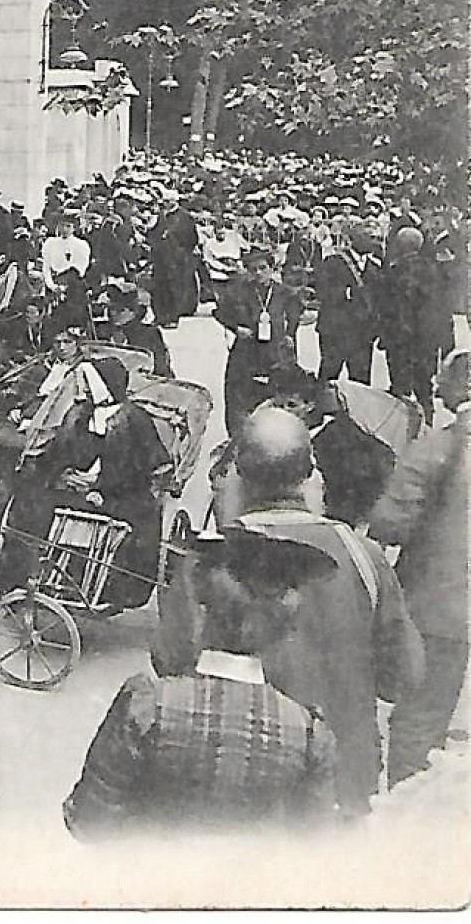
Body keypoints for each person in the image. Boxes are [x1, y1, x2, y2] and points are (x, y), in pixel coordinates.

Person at [156, 407, 423, 815]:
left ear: (236, 475)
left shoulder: (210, 561)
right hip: (340, 789)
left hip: (233, 791)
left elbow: (170, 661)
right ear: (311, 474)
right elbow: (403, 675)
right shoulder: (363, 556)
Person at [64, 541, 338, 840]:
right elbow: (313, 846)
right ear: (281, 631)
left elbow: (90, 821)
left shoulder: (147, 706)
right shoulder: (307, 733)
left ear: (204, 615)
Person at [369, 350, 470, 786]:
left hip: (438, 603)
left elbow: (389, 523)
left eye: (443, 377)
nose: (435, 386)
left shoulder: (439, 447)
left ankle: (404, 811)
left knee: (417, 720)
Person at [0, 357, 170, 612]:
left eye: (89, 385)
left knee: (118, 520)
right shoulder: (78, 415)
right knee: (29, 506)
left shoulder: (135, 420)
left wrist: (102, 490)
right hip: (75, 488)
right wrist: (62, 475)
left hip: (123, 495)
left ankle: (100, 589)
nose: (83, 391)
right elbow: (58, 455)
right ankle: (28, 580)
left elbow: (147, 468)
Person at [214, 244, 303, 440]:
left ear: (272, 269)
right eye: (253, 269)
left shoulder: (285, 292)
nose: (259, 273)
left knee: (279, 396)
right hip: (246, 352)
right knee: (240, 397)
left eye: (263, 268)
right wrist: (236, 328)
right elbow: (220, 312)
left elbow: (295, 315)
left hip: (275, 351)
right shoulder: (238, 290)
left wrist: (289, 334)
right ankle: (238, 439)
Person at [375, 227, 437, 418]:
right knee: (424, 387)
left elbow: (388, 307)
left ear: (400, 246)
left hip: (400, 337)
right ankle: (428, 425)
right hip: (425, 338)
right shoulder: (432, 269)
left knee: (399, 389)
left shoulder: (394, 272)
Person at [315, 232, 379, 384]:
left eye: (374, 237)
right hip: (335, 329)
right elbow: (322, 290)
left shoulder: (375, 266)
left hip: (362, 333)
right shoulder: (333, 262)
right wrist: (347, 293)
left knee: (361, 381)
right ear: (352, 239)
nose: (373, 240)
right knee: (328, 377)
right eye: (369, 236)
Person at [150, 193, 201, 328]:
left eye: (168, 201)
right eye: (164, 201)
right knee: (159, 287)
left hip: (177, 258)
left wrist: (181, 251)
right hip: (160, 257)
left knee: (174, 288)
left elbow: (192, 238)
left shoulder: (185, 217)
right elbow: (152, 234)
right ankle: (160, 316)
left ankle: (172, 317)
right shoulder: (160, 216)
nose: (165, 204)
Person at [101, 283, 172, 378]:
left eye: (120, 310)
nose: (113, 313)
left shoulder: (149, 333)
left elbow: (161, 368)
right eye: (111, 309)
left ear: (134, 312)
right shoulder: (100, 331)